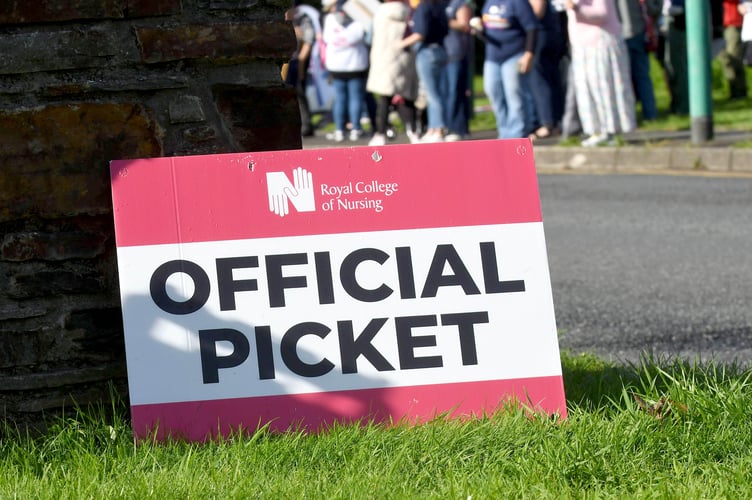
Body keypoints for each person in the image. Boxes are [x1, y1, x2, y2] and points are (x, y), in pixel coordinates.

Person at [564, 0, 636, 146]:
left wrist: (577, 8)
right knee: (586, 91)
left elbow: (602, 14)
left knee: (604, 88)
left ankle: (611, 130)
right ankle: (595, 130)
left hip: (600, 44)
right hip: (581, 46)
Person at [478, 0, 539, 139]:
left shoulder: (517, 2)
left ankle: (517, 133)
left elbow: (531, 28)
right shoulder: (489, 3)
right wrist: (479, 30)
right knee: (493, 91)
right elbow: (488, 30)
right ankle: (504, 131)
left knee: (514, 94)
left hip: (514, 54)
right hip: (493, 57)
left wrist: (529, 53)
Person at [367, 0, 421, 146]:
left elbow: (370, 36)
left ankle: (380, 133)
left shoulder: (380, 13)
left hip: (383, 59)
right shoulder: (409, 12)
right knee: (406, 97)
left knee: (384, 98)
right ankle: (413, 132)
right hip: (403, 58)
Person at [400, 0, 450, 143]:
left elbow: (420, 33)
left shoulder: (423, 7)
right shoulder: (440, 5)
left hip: (427, 52)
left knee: (432, 93)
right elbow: (446, 30)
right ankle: (433, 128)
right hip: (440, 49)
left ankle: (438, 129)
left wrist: (400, 44)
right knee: (438, 92)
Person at [322, 0, 371, 142]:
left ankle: (339, 130)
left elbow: (327, 38)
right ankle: (356, 128)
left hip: (336, 66)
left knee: (340, 98)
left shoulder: (330, 19)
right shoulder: (358, 19)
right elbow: (364, 37)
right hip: (355, 64)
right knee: (356, 98)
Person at [527, 0, 566, 141]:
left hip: (541, 36)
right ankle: (556, 121)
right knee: (551, 79)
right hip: (548, 33)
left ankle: (547, 123)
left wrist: (518, 20)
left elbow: (538, 10)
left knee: (540, 81)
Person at [615, 0, 660, 121]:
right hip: (639, 32)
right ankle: (650, 114)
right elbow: (654, 8)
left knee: (622, 78)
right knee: (643, 76)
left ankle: (628, 116)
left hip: (619, 34)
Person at [285, 0, 317, 137]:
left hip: (297, 62)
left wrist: (301, 66)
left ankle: (305, 126)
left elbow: (308, 42)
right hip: (284, 63)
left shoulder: (304, 20)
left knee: (299, 94)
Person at [444, 0, 474, 141]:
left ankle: (455, 127)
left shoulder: (459, 3)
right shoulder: (441, 4)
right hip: (444, 54)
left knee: (455, 92)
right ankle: (457, 127)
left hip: (456, 53)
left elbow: (464, 25)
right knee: (450, 92)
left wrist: (443, 21)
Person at [718, 0, 748, 99]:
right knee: (725, 58)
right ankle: (734, 90)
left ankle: (740, 91)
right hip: (720, 23)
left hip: (733, 23)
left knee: (734, 57)